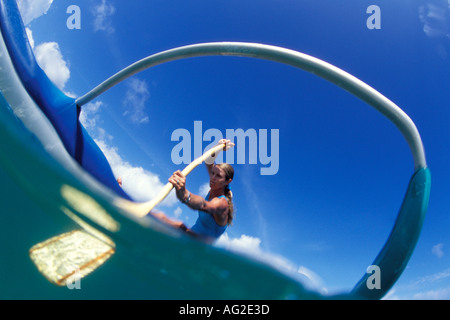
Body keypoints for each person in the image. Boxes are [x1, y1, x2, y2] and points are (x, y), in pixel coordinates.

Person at [151, 139, 235, 243]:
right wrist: (218, 147)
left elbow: (204, 205)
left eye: (218, 176)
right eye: (212, 173)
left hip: (198, 248)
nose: (212, 177)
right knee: (162, 220)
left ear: (228, 181)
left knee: (165, 219)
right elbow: (208, 160)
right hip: (187, 237)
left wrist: (185, 194)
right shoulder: (215, 185)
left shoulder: (222, 204)